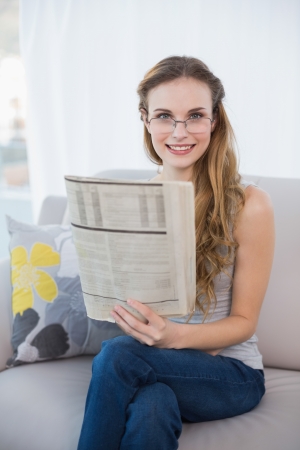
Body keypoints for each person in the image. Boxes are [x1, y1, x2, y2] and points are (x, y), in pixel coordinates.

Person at [77, 56, 275, 450]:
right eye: (165, 115)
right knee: (153, 406)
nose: (179, 131)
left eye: (195, 115)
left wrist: (172, 337)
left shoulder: (250, 204)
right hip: (154, 365)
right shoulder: (132, 203)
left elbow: (244, 323)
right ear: (146, 119)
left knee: (117, 356)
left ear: (214, 120)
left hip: (230, 374)